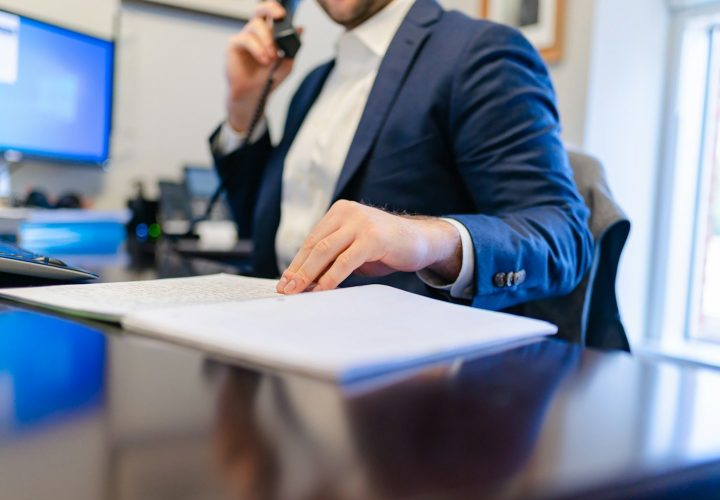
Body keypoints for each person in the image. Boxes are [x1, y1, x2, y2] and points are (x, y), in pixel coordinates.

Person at [210, 0, 593, 310]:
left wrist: (428, 239)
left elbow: (564, 239)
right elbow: (261, 235)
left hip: (412, 380)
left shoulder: (480, 53)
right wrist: (244, 108)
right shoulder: (312, 85)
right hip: (274, 341)